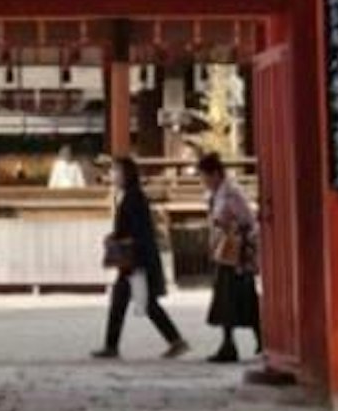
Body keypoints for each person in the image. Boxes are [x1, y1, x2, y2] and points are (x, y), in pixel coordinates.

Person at [91, 152, 186, 359]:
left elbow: (138, 229)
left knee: (140, 302)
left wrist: (118, 239)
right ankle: (174, 340)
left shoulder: (133, 196)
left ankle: (114, 345)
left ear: (126, 173)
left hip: (136, 258)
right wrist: (115, 236)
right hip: (135, 257)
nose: (112, 174)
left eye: (115, 170)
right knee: (134, 301)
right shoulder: (129, 195)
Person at [196, 150, 260, 364]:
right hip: (225, 252)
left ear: (215, 174)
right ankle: (230, 343)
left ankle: (255, 340)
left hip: (237, 254)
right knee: (231, 300)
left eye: (204, 176)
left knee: (237, 299)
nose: (203, 181)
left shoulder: (231, 192)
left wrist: (229, 227)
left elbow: (248, 220)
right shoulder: (219, 193)